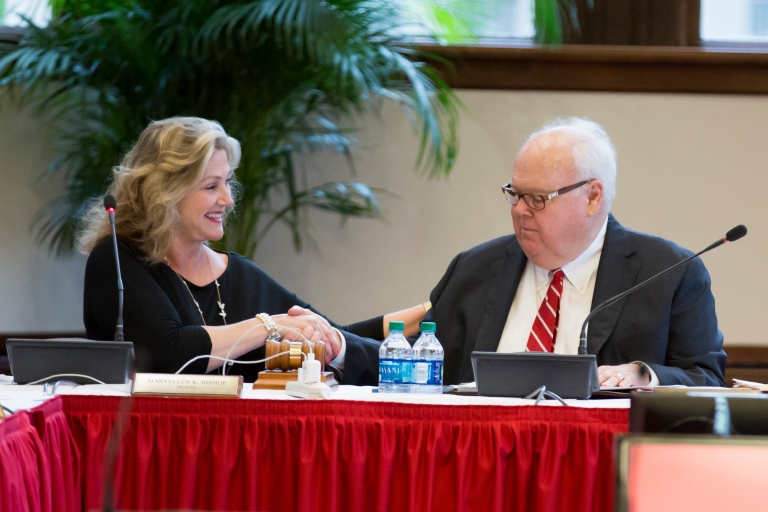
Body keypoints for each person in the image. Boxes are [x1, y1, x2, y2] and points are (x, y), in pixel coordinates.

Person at [79, 116, 425, 385]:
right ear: (165, 193)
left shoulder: (237, 274)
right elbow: (167, 354)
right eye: (211, 186)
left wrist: (425, 311)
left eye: (227, 182)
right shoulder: (117, 260)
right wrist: (267, 326)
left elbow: (326, 332)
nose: (228, 199)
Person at [423, 117, 726, 387]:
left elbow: (707, 379)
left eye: (538, 199)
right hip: (486, 445)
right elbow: (416, 360)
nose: (521, 210)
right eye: (515, 194)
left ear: (593, 197)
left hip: (601, 448)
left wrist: (644, 375)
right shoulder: (474, 268)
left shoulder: (669, 273)